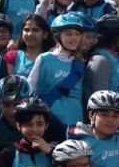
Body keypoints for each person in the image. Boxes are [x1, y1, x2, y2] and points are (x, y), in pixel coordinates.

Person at [29, 12, 90, 141]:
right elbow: (30, 90)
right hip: (50, 123)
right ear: (58, 36)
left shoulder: (80, 64)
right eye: (68, 33)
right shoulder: (45, 59)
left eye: (77, 33)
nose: (73, 38)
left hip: (75, 124)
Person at [83, 14, 119, 119]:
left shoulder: (113, 57)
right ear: (117, 38)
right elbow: (99, 99)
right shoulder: (100, 60)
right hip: (113, 120)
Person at [0, 76, 30, 148]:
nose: (11, 111)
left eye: (17, 104)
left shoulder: (39, 115)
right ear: (0, 102)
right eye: (6, 105)